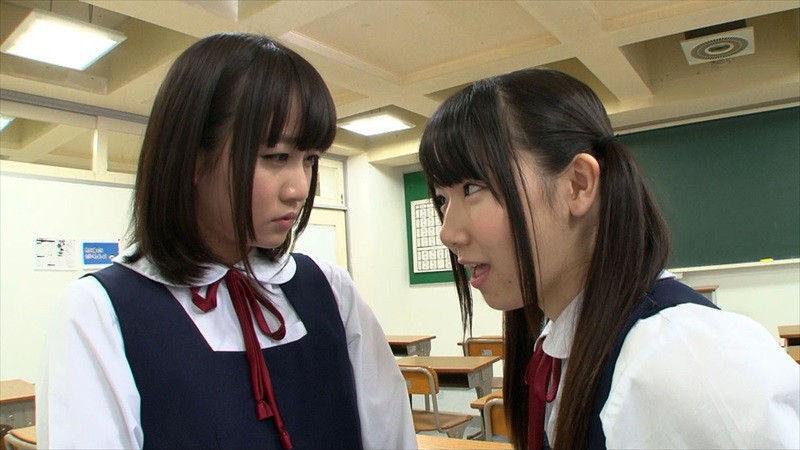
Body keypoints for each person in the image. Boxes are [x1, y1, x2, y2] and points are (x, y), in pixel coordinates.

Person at [37, 33, 417, 450]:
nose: (299, 188)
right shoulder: (100, 312)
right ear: (193, 158)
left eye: (310, 159)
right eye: (276, 157)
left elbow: (390, 434)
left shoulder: (330, 289)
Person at [418, 68, 800, 449]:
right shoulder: (558, 340)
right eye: (442, 199)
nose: (448, 233)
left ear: (578, 184)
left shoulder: (682, 360)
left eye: (473, 188)